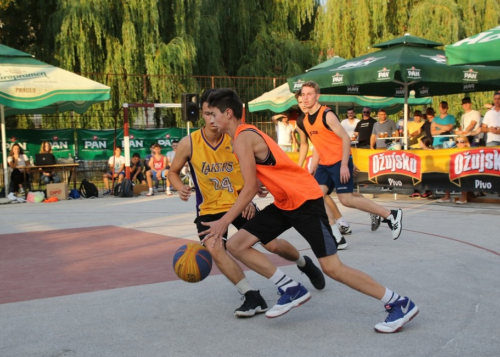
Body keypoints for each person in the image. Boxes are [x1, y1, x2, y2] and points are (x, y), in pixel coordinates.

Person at [202, 88, 418, 333]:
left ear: (227, 113)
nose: (209, 119)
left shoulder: (242, 137)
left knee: (333, 268)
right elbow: (268, 169)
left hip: (305, 201)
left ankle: (398, 302)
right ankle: (290, 288)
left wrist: (223, 222)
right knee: (236, 244)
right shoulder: (241, 136)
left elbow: (249, 186)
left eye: (212, 113)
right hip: (286, 202)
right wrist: (265, 183)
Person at [168, 88, 325, 317]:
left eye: (214, 113)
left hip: (240, 203)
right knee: (214, 247)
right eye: (206, 114)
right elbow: (172, 172)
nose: (211, 119)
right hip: (209, 208)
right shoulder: (189, 143)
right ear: (201, 114)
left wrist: (255, 189)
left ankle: (303, 262)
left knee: (272, 245)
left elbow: (254, 169)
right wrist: (179, 186)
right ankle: (251, 295)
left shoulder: (236, 137)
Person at [299, 82, 403, 239]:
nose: (305, 98)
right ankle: (336, 236)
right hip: (324, 164)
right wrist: (313, 166)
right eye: (303, 94)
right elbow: (318, 146)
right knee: (316, 196)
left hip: (339, 161)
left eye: (309, 94)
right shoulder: (306, 120)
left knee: (346, 199)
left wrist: (344, 165)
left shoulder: (327, 114)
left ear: (317, 96)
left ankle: (390, 215)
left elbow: (346, 138)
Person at [294, 91, 352, 239]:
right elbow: (305, 145)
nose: (304, 104)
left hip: (337, 158)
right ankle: (339, 224)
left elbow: (339, 140)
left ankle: (344, 221)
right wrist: (300, 167)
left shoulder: (325, 114)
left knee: (345, 196)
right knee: (319, 193)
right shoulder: (302, 122)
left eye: (305, 99)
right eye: (300, 102)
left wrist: (348, 162)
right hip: (320, 158)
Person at [436, 135, 471, 205]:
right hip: (455, 169)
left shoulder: (470, 150)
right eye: (457, 142)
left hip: (466, 170)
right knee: (446, 174)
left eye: (462, 142)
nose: (459, 144)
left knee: (463, 176)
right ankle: (447, 197)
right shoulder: (453, 150)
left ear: (466, 143)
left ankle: (463, 198)